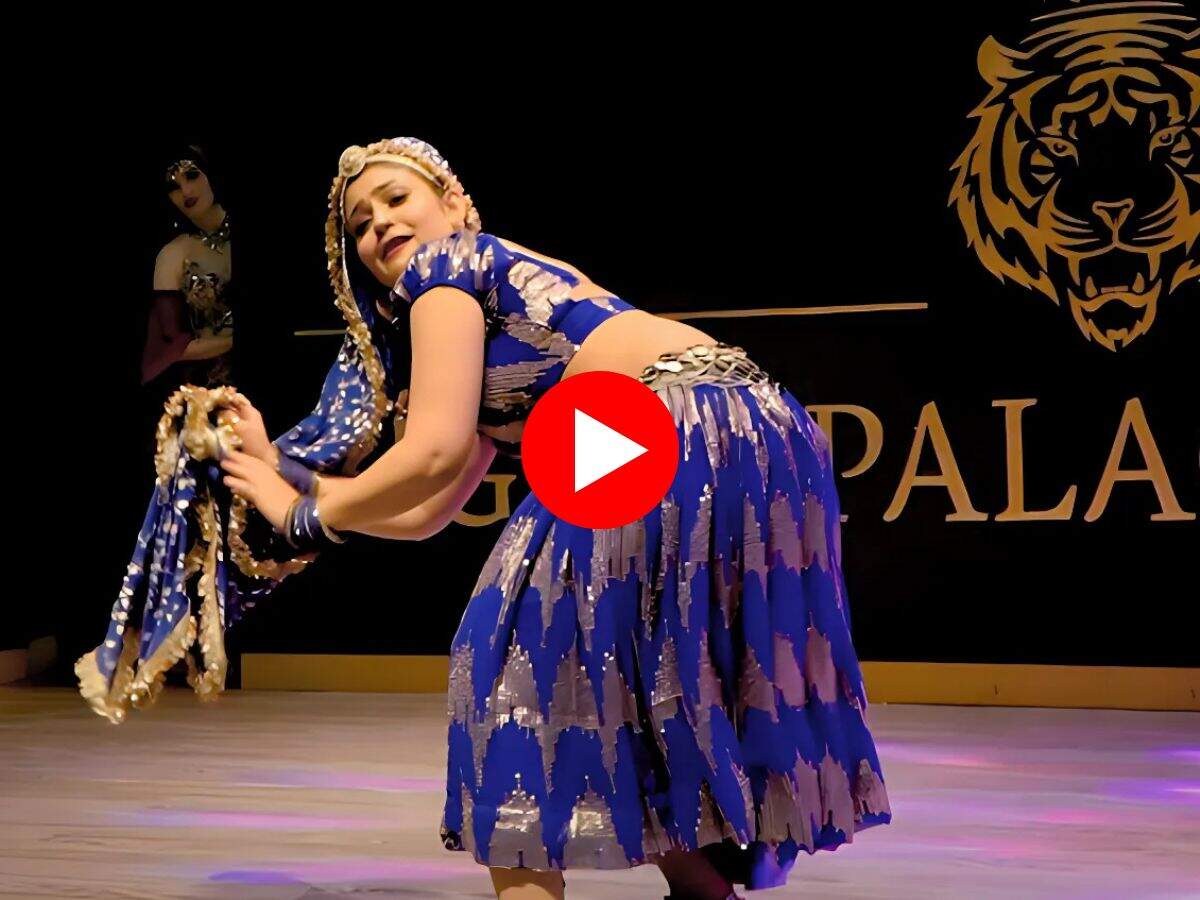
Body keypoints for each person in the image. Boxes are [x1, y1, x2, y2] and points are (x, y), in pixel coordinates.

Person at [80, 138, 891, 900]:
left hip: (661, 418)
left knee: (508, 662)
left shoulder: (448, 267)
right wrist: (280, 473)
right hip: (757, 425)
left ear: (454, 203)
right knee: (641, 669)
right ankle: (703, 889)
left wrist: (302, 513)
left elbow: (428, 453)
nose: (378, 225)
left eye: (396, 199)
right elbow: (428, 510)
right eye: (358, 224)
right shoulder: (473, 312)